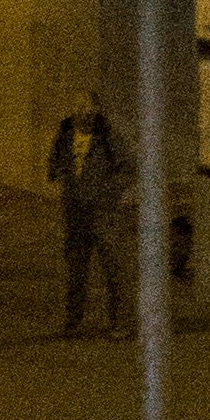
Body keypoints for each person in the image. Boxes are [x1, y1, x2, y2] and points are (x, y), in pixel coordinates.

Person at [47, 91, 132, 338]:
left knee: (112, 268)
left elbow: (127, 167)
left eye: (89, 106)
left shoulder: (107, 137)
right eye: (80, 105)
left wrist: (108, 192)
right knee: (76, 271)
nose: (85, 110)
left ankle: (120, 323)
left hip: (102, 213)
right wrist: (58, 174)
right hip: (75, 213)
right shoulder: (64, 136)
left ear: (96, 110)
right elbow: (53, 163)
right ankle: (73, 322)